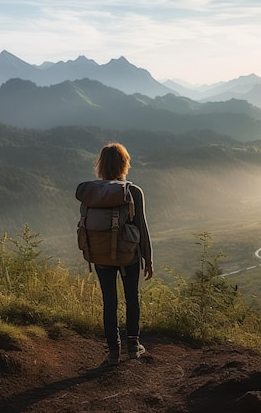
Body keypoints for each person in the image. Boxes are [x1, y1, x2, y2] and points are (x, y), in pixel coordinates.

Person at [92, 142, 153, 366]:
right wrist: (148, 258)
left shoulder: (94, 192)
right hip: (129, 255)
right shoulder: (133, 191)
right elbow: (142, 227)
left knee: (109, 301)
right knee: (131, 298)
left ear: (101, 165)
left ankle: (113, 352)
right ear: (124, 163)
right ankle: (133, 346)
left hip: (101, 256)